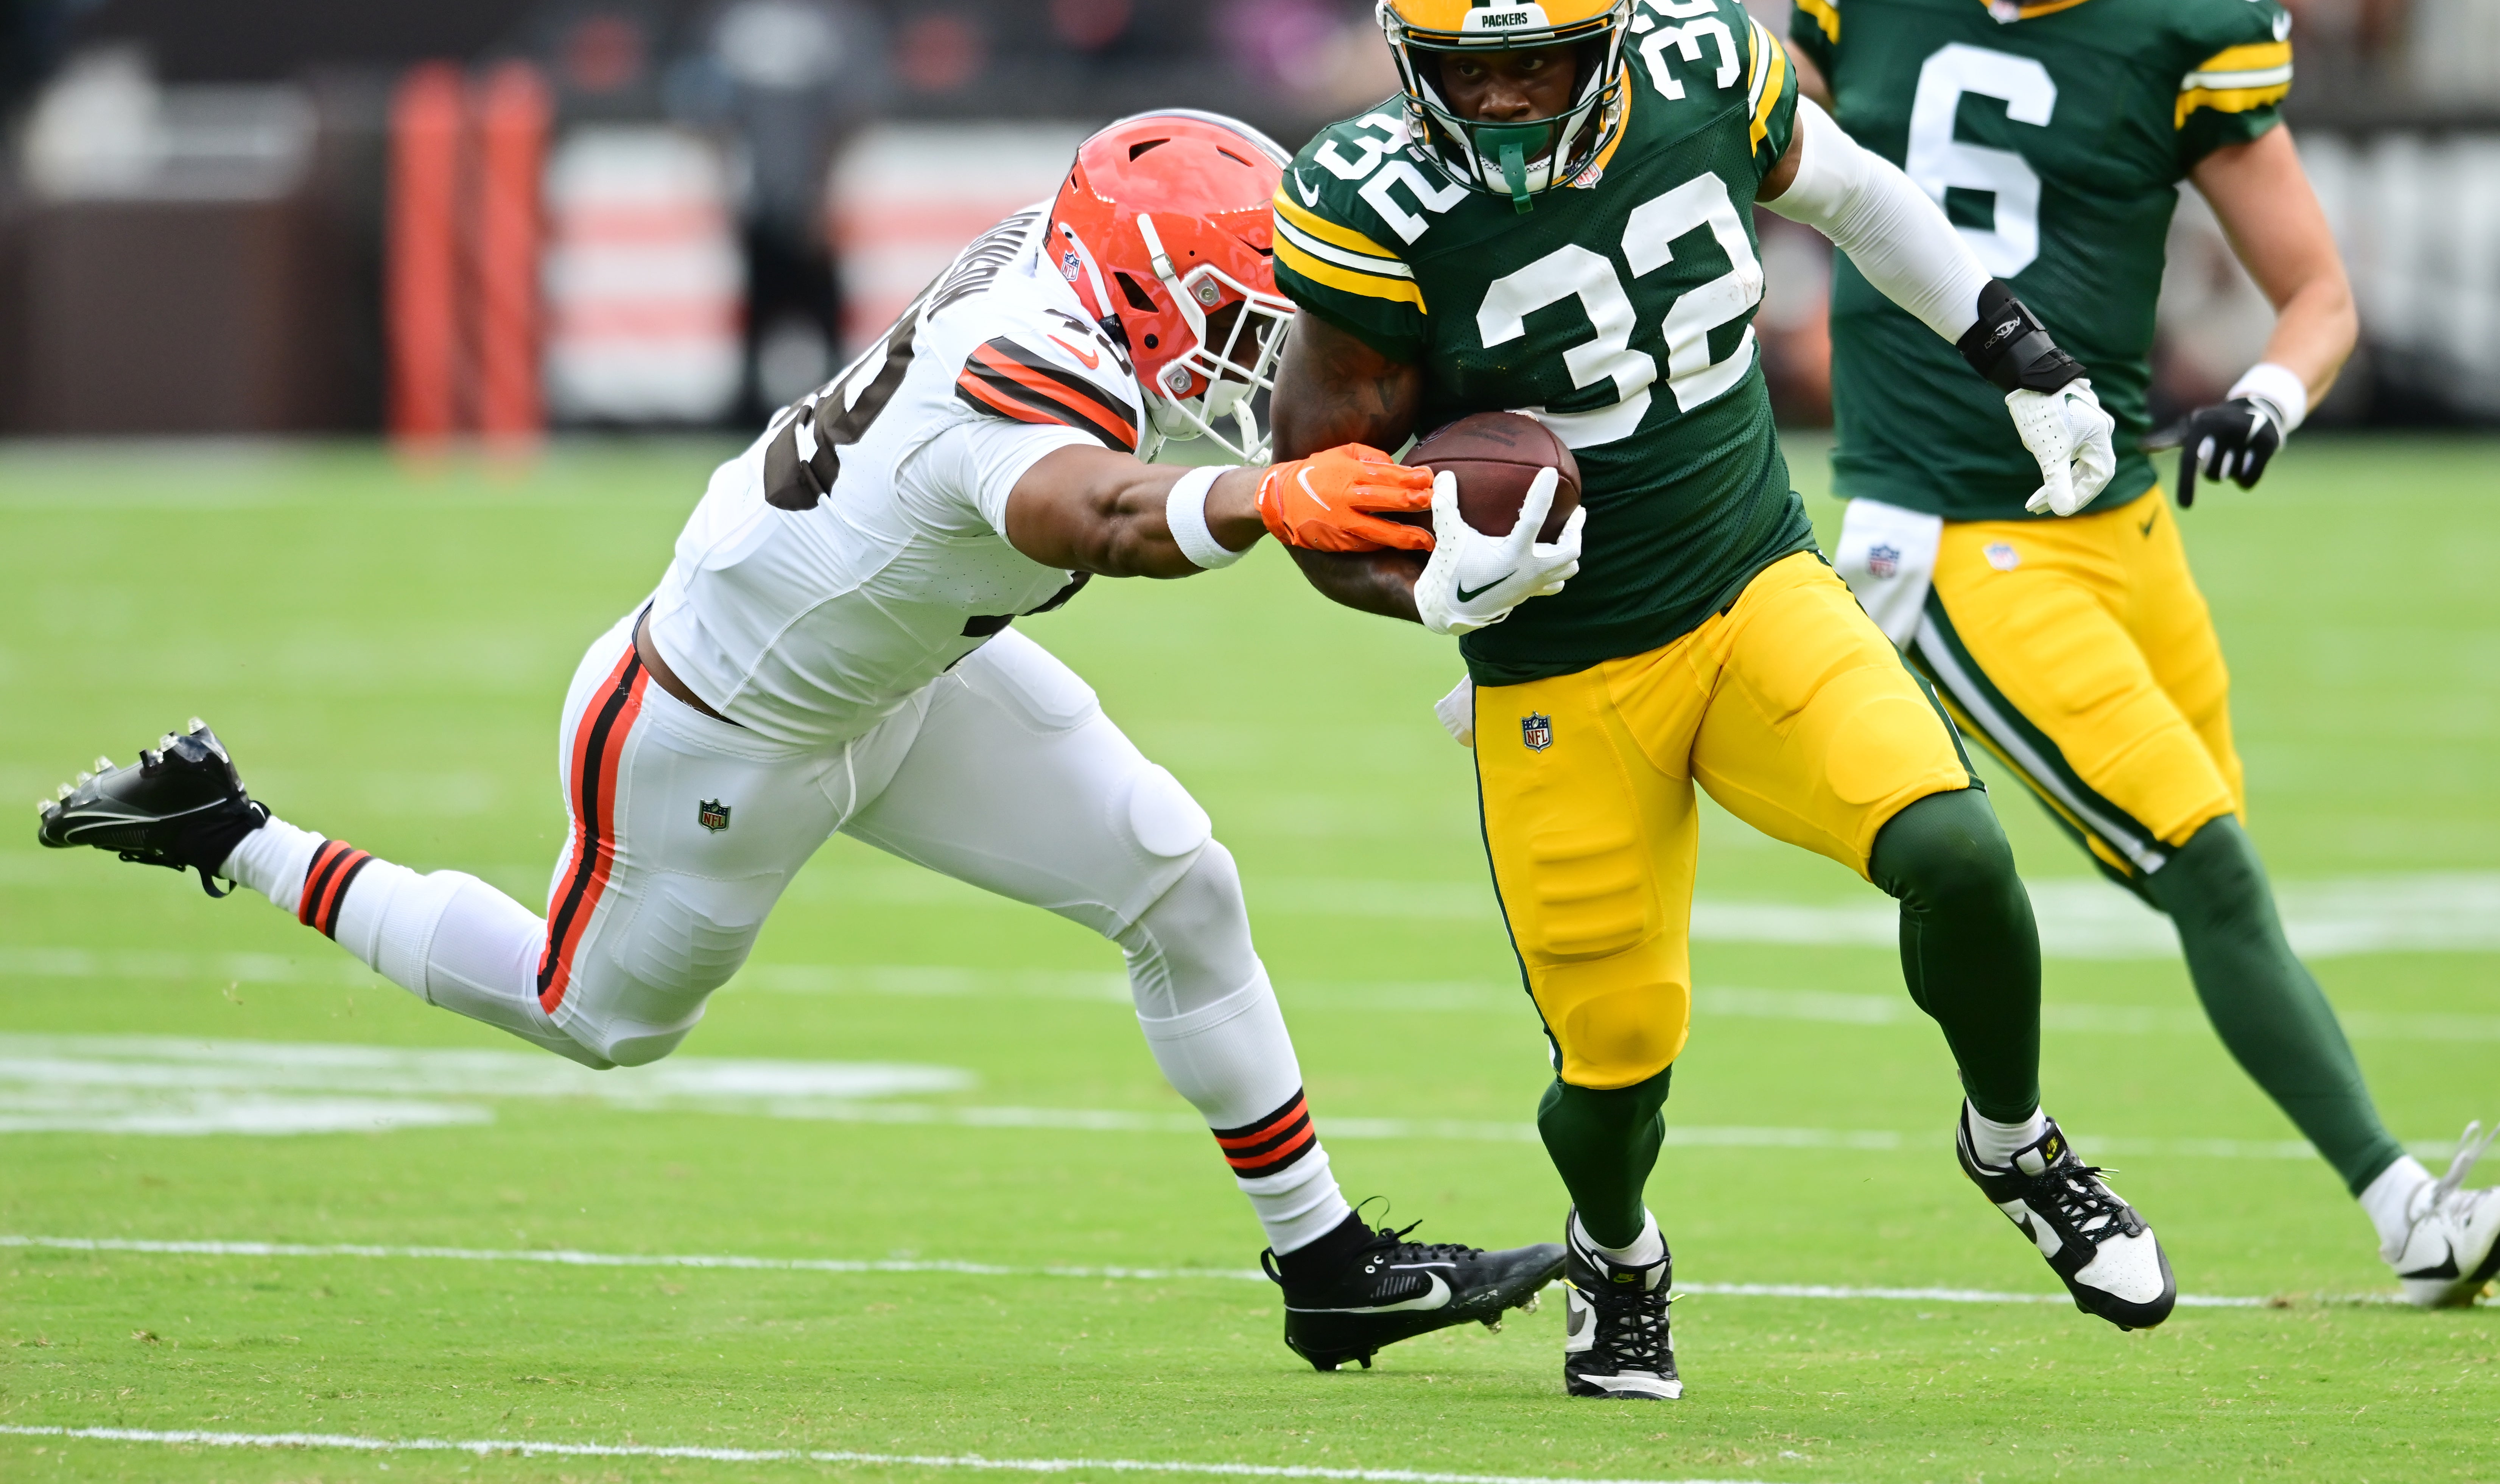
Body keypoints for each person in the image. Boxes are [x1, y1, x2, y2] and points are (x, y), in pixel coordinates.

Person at [36, 109, 1563, 1374]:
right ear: (1151, 284)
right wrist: (1258, 500)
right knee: (601, 1016)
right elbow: (1084, 511)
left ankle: (1328, 1267)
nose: (1267, 352)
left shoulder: (1070, 272)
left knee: (1177, 882)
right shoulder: (1023, 359)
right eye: (1248, 314)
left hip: (896, 672)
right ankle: (230, 831)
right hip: (716, 728)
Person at [1265, 0, 2170, 1404]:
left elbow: (1862, 198)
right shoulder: (1365, 199)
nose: (1493, 99)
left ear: (1608, 41)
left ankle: (2014, 1145)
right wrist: (1429, 591)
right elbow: (1318, 492)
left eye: (1532, 62)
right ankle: (1615, 1257)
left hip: (1750, 581)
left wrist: (2016, 351)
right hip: (1558, 670)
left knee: (1954, 852)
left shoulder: (1701, 66)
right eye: (1462, 68)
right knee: (1610, 1072)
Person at [1786, 0, 2499, 1308]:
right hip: (1949, 529)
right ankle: (2403, 1213)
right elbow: (1761, 163)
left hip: (2115, 517)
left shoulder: (2187, 24)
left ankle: (2397, 1214)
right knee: (2206, 862)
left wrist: (2265, 393)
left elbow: (2313, 296)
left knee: (2210, 877)